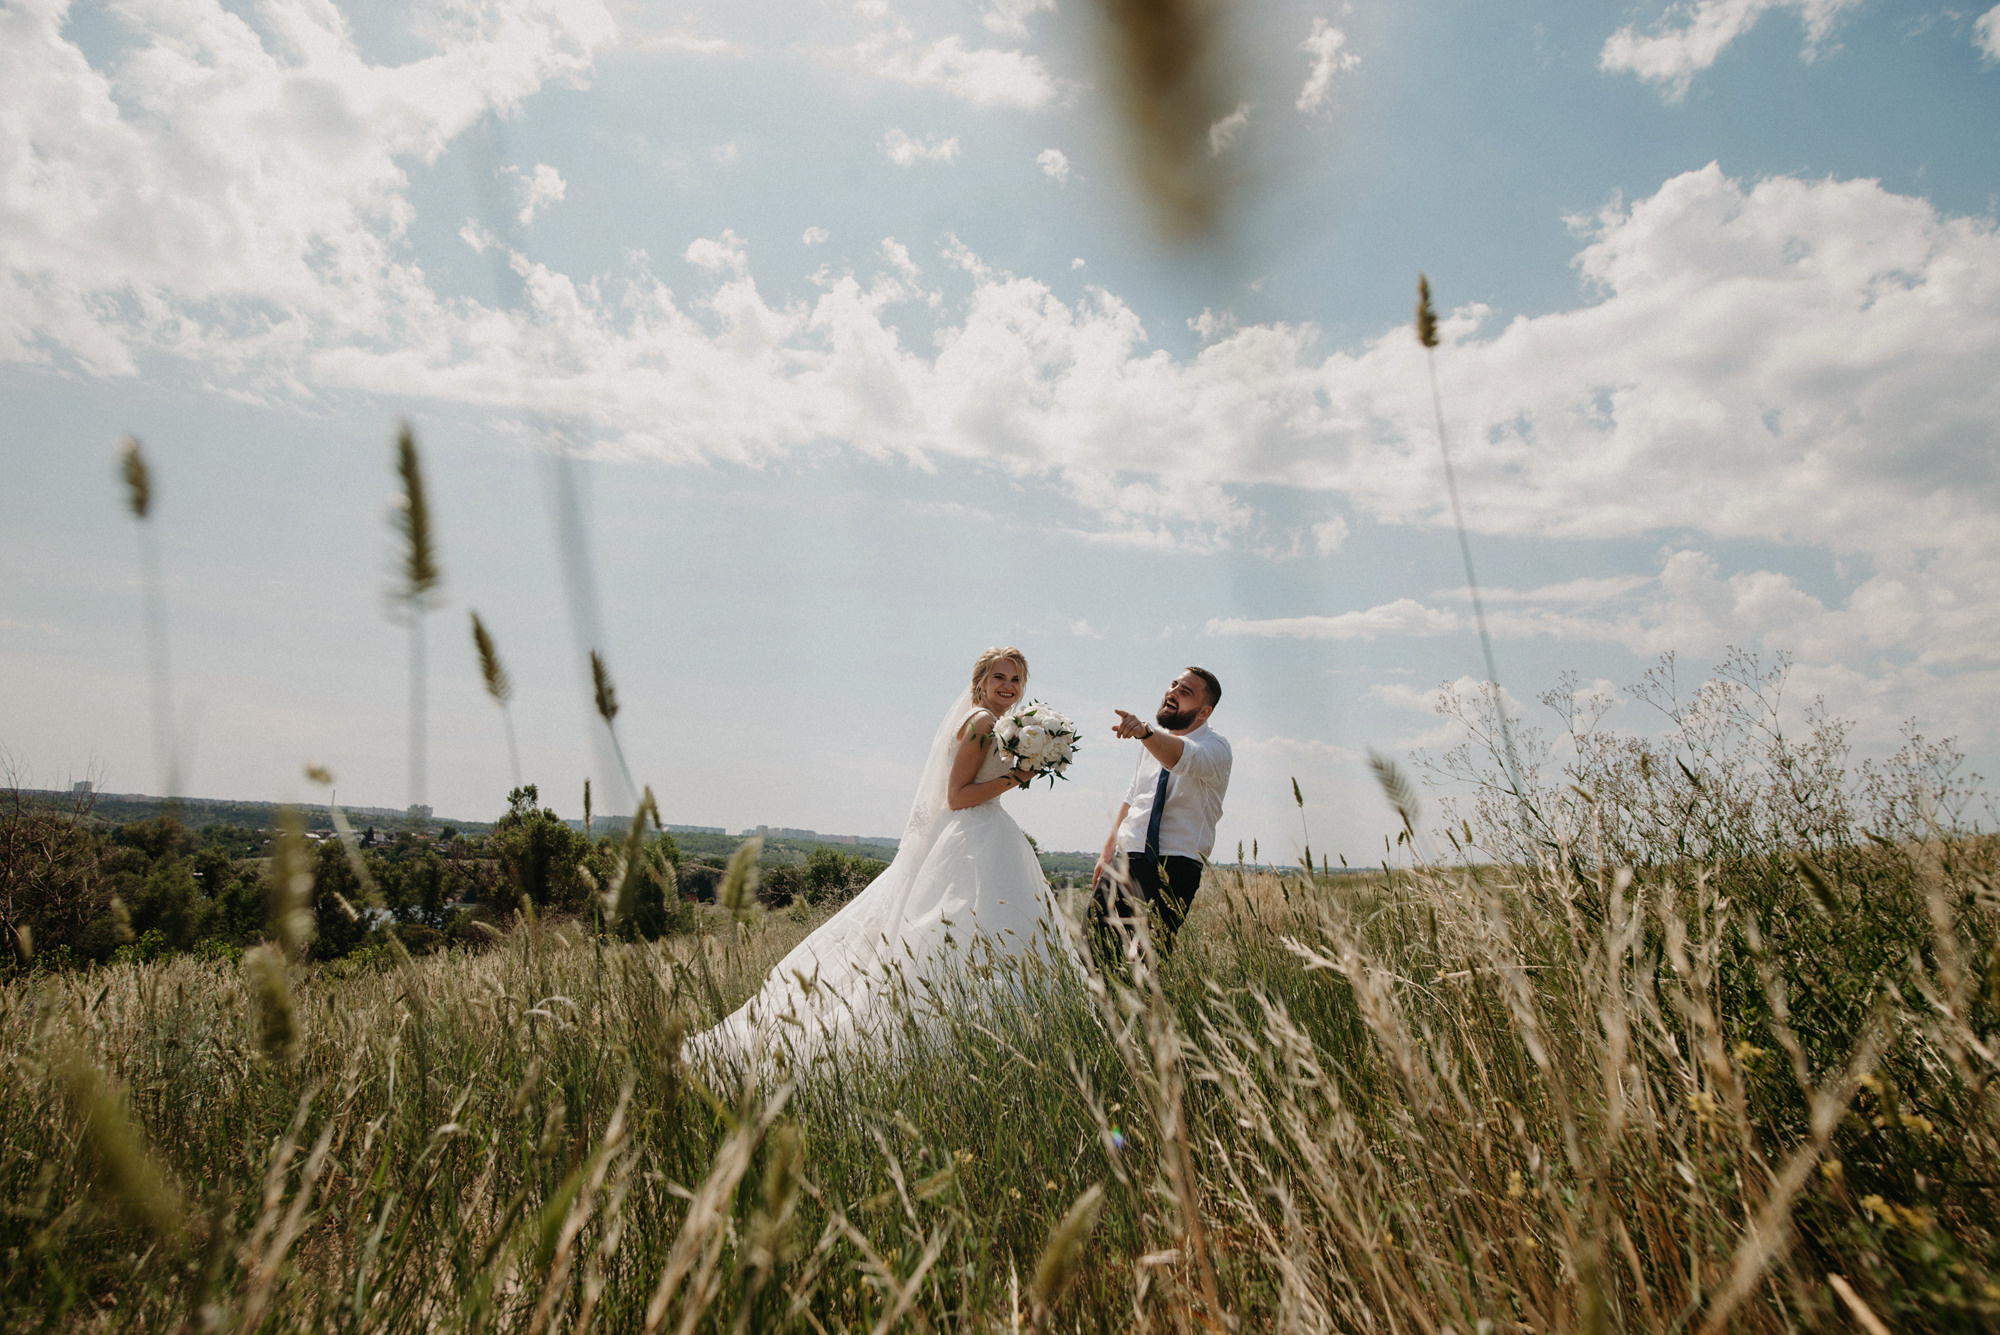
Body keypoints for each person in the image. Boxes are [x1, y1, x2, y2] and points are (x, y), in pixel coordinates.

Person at [687, 646, 1073, 1068]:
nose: (1008, 686)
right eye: (1000, 677)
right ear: (980, 680)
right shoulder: (981, 722)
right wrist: (1018, 776)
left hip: (984, 833)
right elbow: (957, 796)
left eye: (1016, 680)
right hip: (971, 836)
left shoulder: (997, 725)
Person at [1092, 666, 1232, 958]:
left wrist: (1145, 732)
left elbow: (1182, 758)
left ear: (1204, 712)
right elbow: (1134, 796)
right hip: (1126, 859)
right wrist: (1107, 853)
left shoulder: (1216, 748)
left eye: (1185, 691)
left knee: (1145, 964)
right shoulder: (1151, 742)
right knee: (1092, 953)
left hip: (1175, 867)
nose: (1173, 692)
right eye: (1173, 684)